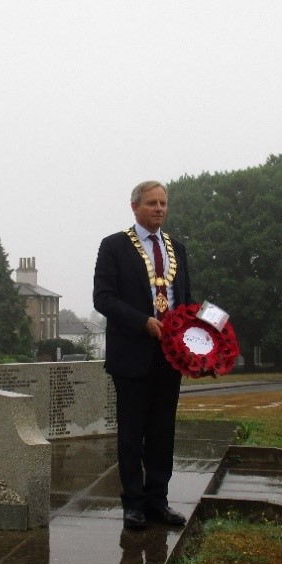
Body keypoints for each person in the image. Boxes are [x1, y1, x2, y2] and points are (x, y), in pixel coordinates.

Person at [93, 181, 193, 530]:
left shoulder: (177, 248)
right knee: (132, 434)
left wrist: (211, 336)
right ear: (134, 207)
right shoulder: (114, 247)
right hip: (132, 355)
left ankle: (158, 502)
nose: (159, 208)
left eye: (163, 203)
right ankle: (133, 504)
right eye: (152, 203)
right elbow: (102, 299)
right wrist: (144, 323)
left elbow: (187, 302)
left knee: (163, 433)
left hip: (170, 358)